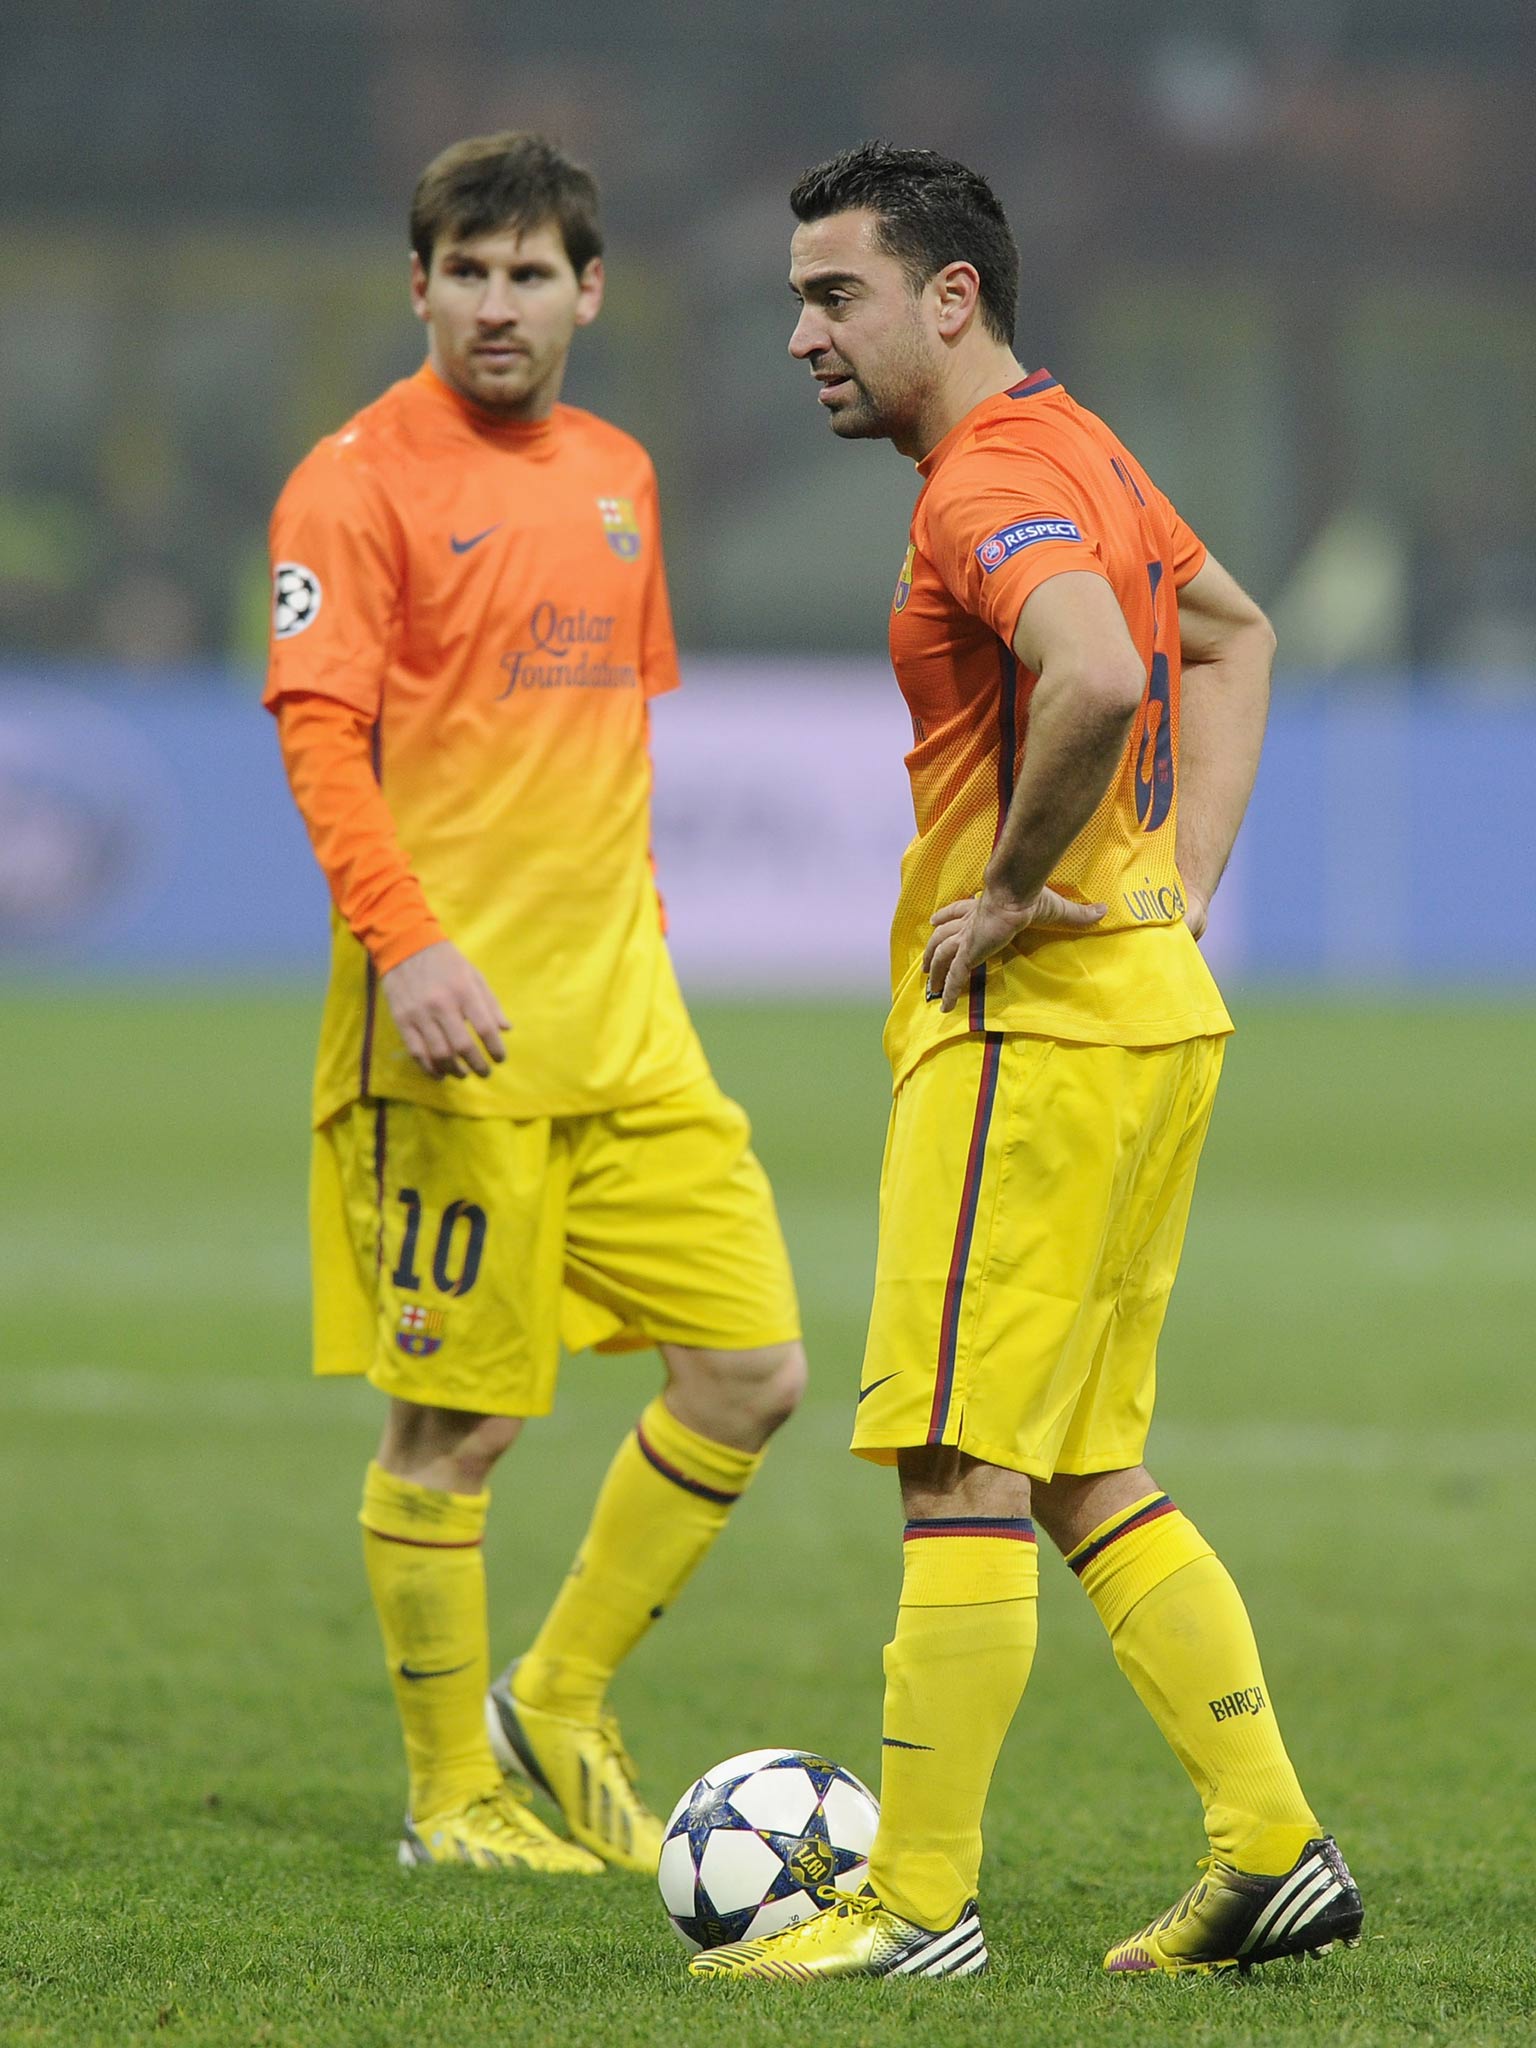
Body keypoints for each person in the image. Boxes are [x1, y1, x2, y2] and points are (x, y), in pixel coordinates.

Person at [690, 142, 1363, 1982]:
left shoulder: (981, 478)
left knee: (954, 1458)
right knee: (1080, 1467)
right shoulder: (1086, 445)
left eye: (836, 296)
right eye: (799, 298)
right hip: (1146, 1010)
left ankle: (910, 1906)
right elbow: (1230, 629)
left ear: (951, 297)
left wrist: (999, 897)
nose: (805, 334)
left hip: (1032, 1037)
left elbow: (1100, 672)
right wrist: (1178, 881)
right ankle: (1269, 1849)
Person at [264, 132, 805, 1878]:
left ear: (591, 289)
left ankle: (553, 1699)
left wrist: (638, 950)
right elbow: (318, 732)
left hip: (627, 1027)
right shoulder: (350, 483)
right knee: (460, 1424)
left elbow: (613, 749)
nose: (498, 304)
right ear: (418, 285)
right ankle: (448, 1802)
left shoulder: (621, 476)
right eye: (466, 272)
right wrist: (409, 945)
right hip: (454, 1032)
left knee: (749, 1370)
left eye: (530, 273)